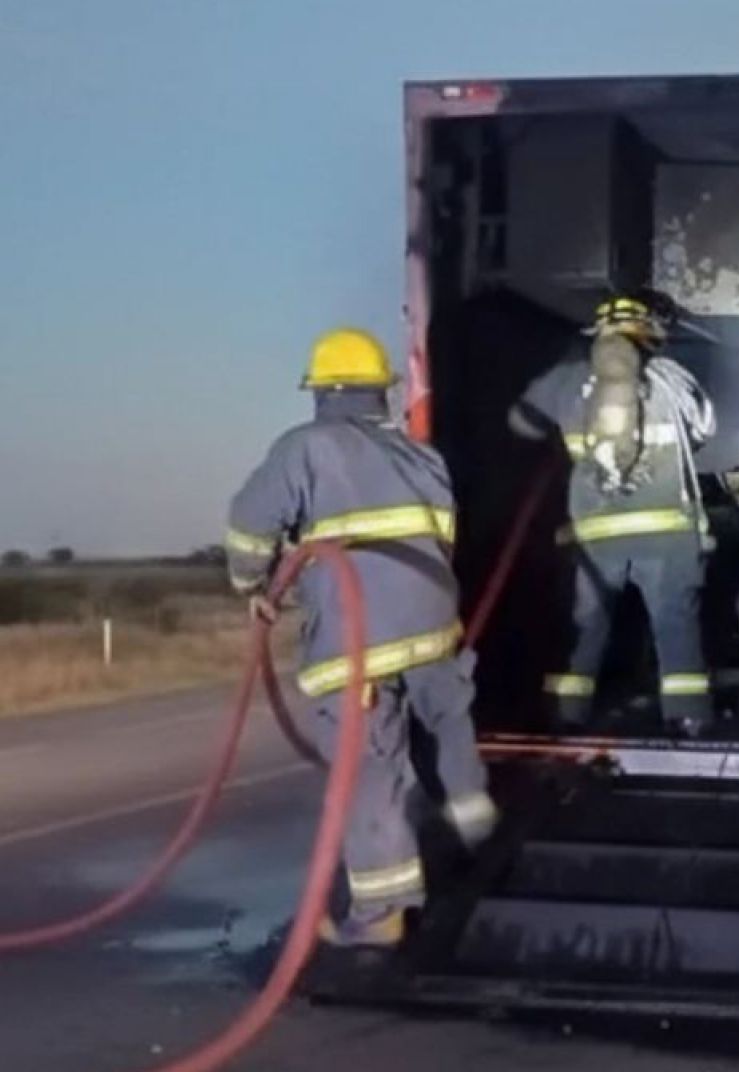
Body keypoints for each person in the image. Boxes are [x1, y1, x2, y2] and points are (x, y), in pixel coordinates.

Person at [225, 327, 495, 949]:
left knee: (370, 768)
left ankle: (382, 912)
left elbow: (249, 525)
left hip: (357, 638)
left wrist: (253, 586)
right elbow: (445, 541)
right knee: (445, 727)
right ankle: (476, 833)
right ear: (380, 393)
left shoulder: (306, 448)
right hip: (431, 625)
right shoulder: (423, 455)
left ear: (323, 393)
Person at [509, 293, 716, 735]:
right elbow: (702, 431)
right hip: (666, 535)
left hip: (592, 537)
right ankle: (688, 719)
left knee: (583, 627)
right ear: (648, 334)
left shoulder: (564, 380)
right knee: (673, 625)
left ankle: (565, 718)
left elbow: (519, 424)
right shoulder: (672, 378)